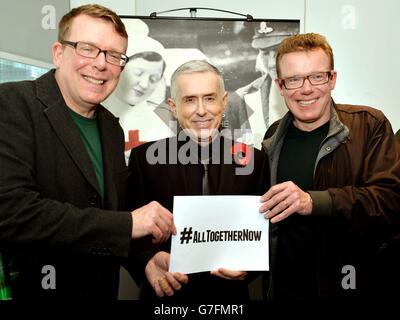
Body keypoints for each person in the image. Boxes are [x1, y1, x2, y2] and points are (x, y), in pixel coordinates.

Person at [0, 4, 175, 300]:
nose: (101, 64)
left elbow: (110, 216)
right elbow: (11, 211)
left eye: (114, 55)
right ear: (58, 53)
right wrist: (129, 224)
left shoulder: (110, 128)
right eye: (87, 48)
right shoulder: (13, 104)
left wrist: (144, 260)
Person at [259, 33, 400, 301]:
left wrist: (313, 201)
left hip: (348, 287)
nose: (306, 88)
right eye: (294, 79)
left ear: (332, 79)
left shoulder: (370, 125)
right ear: (280, 86)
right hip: (284, 291)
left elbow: (390, 201)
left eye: (317, 76)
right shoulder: (274, 135)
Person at [127, 60, 269, 300]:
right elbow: (124, 229)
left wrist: (250, 268)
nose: (201, 110)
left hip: (230, 300)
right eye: (190, 99)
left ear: (224, 102)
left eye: (210, 98)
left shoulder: (255, 162)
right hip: (166, 298)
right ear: (173, 106)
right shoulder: (144, 161)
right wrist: (147, 260)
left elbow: (268, 233)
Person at [104, 34, 175, 164]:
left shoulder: (162, 129)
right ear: (119, 69)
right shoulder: (92, 114)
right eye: (138, 73)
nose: (144, 84)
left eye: (153, 79)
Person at [225, 22, 295, 148]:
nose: (272, 63)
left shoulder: (317, 95)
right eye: (265, 53)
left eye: (280, 51)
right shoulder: (239, 101)